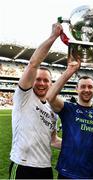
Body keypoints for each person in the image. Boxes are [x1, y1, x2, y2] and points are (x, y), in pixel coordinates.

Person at [9, 23, 63, 179]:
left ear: (51, 84)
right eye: (38, 79)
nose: (42, 83)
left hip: (45, 168)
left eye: (46, 81)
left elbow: (53, 140)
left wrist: (77, 144)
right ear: (32, 81)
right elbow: (33, 64)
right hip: (22, 165)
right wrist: (53, 37)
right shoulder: (24, 96)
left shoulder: (53, 110)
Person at [46, 57, 93, 179]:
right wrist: (70, 70)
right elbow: (50, 97)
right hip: (67, 171)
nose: (86, 90)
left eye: (90, 87)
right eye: (83, 87)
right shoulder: (67, 109)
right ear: (76, 89)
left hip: (91, 173)